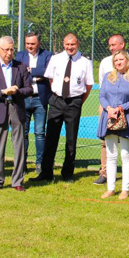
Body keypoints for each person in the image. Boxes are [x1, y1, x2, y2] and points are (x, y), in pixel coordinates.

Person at [34, 33, 94, 181]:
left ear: (78, 43)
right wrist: (57, 95)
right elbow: (51, 79)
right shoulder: (56, 59)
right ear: (63, 44)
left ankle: (67, 173)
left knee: (71, 140)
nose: (70, 48)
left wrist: (78, 101)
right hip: (56, 101)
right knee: (50, 138)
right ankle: (46, 172)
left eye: (72, 44)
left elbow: (88, 85)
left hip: (74, 103)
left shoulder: (85, 62)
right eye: (67, 45)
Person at [0, 36, 33, 192]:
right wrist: (3, 92)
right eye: (6, 50)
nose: (9, 53)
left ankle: (18, 180)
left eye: (12, 50)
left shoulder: (21, 67)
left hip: (16, 108)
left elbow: (29, 89)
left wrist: (16, 91)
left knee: (19, 145)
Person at [94, 35, 129, 186]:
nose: (111, 48)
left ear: (122, 45)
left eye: (114, 45)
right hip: (107, 109)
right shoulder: (104, 63)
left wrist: (122, 108)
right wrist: (108, 108)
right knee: (107, 144)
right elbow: (102, 91)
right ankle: (105, 173)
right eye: (109, 45)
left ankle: (127, 179)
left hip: (125, 112)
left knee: (126, 148)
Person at [15, 32, 53, 172]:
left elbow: (48, 72)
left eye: (32, 44)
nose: (29, 46)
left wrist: (31, 71)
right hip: (23, 99)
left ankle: (40, 164)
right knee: (22, 133)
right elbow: (19, 73)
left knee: (39, 133)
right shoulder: (20, 56)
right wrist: (37, 76)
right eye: (27, 44)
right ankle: (22, 164)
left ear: (39, 44)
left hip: (40, 99)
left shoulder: (47, 55)